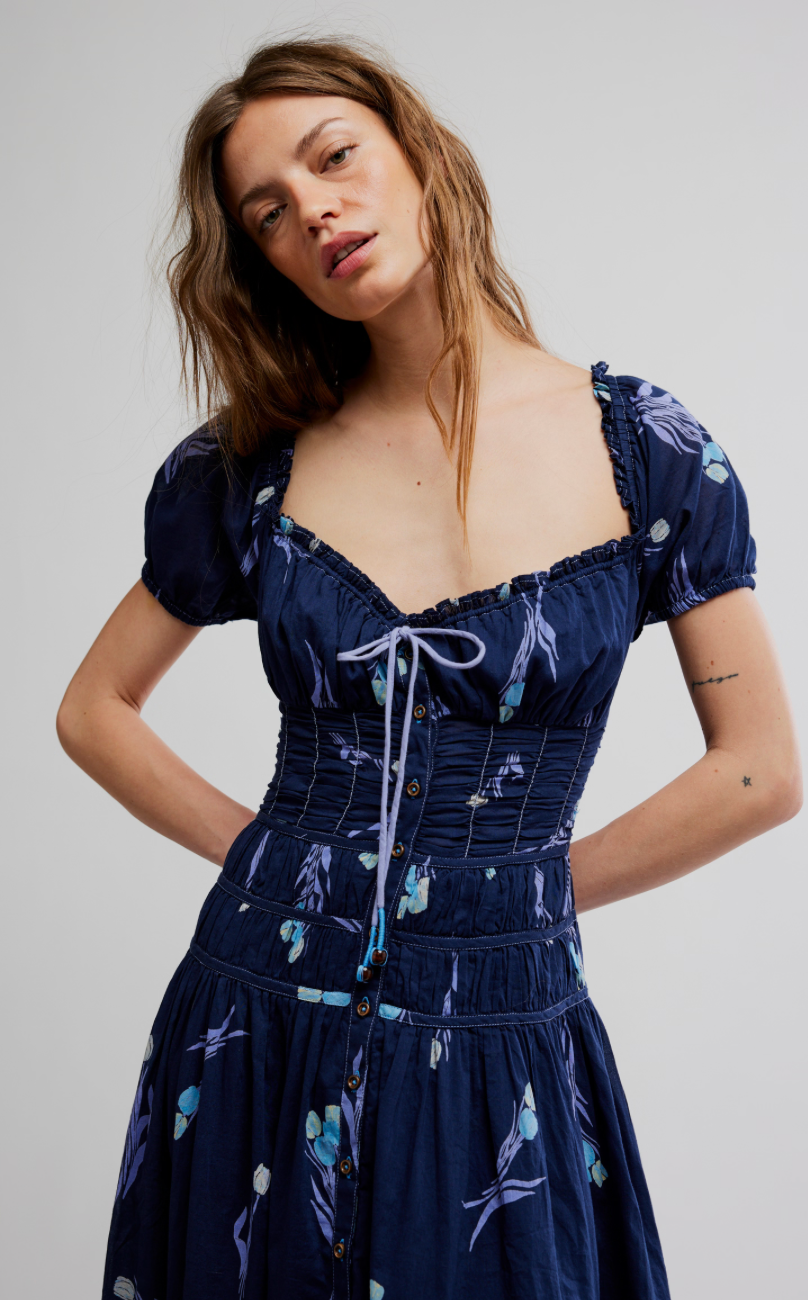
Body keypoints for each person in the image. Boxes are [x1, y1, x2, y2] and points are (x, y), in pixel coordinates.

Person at [57, 36, 801, 1300]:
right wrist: (276, 863)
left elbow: (759, 770)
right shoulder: (251, 468)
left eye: (334, 157)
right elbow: (93, 709)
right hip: (257, 1009)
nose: (313, 212)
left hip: (504, 1021)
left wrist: (531, 892)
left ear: (419, 154)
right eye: (268, 213)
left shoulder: (647, 453)